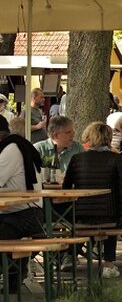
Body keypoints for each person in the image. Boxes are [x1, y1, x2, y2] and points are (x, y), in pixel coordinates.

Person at [63, 122, 122, 278]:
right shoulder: (117, 159)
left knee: (92, 218)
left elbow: (66, 187)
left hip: (81, 213)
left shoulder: (77, 158)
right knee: (113, 208)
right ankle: (108, 263)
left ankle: (70, 255)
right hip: (109, 213)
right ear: (109, 138)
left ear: (88, 137)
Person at [0, 115, 43, 292]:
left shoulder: (10, 150)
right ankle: (13, 281)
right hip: (23, 212)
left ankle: (14, 279)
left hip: (26, 214)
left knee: (4, 234)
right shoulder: (15, 145)